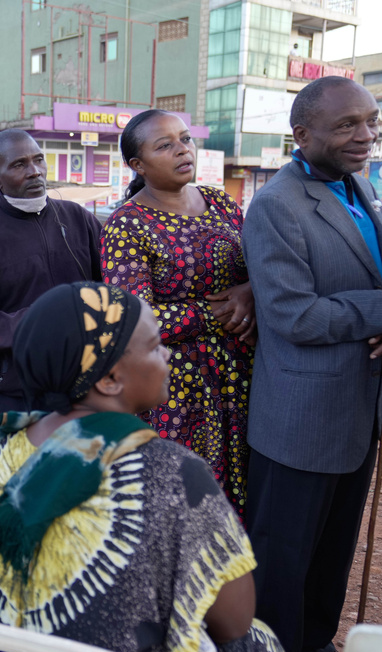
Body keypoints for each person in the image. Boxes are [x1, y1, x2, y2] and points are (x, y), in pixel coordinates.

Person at [0, 282, 289, 652]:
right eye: (154, 347)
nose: (166, 354)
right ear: (110, 378)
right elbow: (234, 622)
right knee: (258, 646)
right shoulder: (171, 472)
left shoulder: (6, 453)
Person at [242, 76, 382, 652]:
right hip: (298, 415)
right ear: (303, 134)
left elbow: (378, 287)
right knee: (282, 554)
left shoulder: (359, 187)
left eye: (371, 121)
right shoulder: (275, 206)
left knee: (334, 544)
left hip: (357, 405)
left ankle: (314, 645)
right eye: (347, 125)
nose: (365, 135)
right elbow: (291, 313)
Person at [101, 110, 255, 518]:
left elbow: (261, 265)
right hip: (175, 390)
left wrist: (251, 291)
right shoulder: (127, 225)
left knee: (248, 502)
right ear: (137, 164)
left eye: (185, 139)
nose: (182, 149)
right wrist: (215, 311)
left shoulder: (221, 202)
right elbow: (135, 321)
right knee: (183, 508)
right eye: (164, 145)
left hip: (244, 378)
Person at [0, 129, 103, 431]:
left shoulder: (78, 219)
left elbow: (115, 291)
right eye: (19, 165)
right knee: (23, 478)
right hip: (17, 398)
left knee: (85, 476)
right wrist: (42, 320)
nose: (34, 172)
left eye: (39, 160)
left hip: (86, 387)